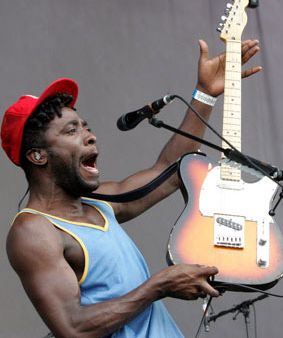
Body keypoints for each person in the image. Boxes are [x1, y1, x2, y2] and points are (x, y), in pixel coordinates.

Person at [2, 39, 260, 338]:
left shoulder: (98, 203)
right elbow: (72, 328)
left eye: (85, 126)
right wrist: (160, 286)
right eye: (72, 130)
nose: (90, 136)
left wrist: (204, 95)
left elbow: (172, 169)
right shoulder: (34, 230)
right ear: (37, 155)